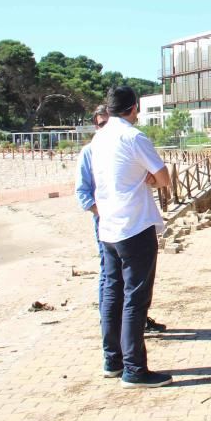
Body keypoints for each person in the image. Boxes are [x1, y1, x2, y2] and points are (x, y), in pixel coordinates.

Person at [92, 86, 172, 388]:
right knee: (135, 298)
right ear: (134, 108)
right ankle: (134, 369)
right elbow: (163, 178)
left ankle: (112, 360)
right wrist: (150, 178)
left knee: (112, 292)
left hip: (108, 226)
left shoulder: (99, 138)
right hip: (134, 226)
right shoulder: (133, 136)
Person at [75, 105, 167, 332]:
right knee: (110, 280)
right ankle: (112, 329)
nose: (107, 128)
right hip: (108, 221)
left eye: (109, 122)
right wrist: (103, 212)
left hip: (128, 220)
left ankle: (132, 326)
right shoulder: (91, 150)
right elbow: (83, 193)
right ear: (96, 126)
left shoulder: (122, 144)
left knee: (130, 283)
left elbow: (148, 175)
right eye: (102, 124)